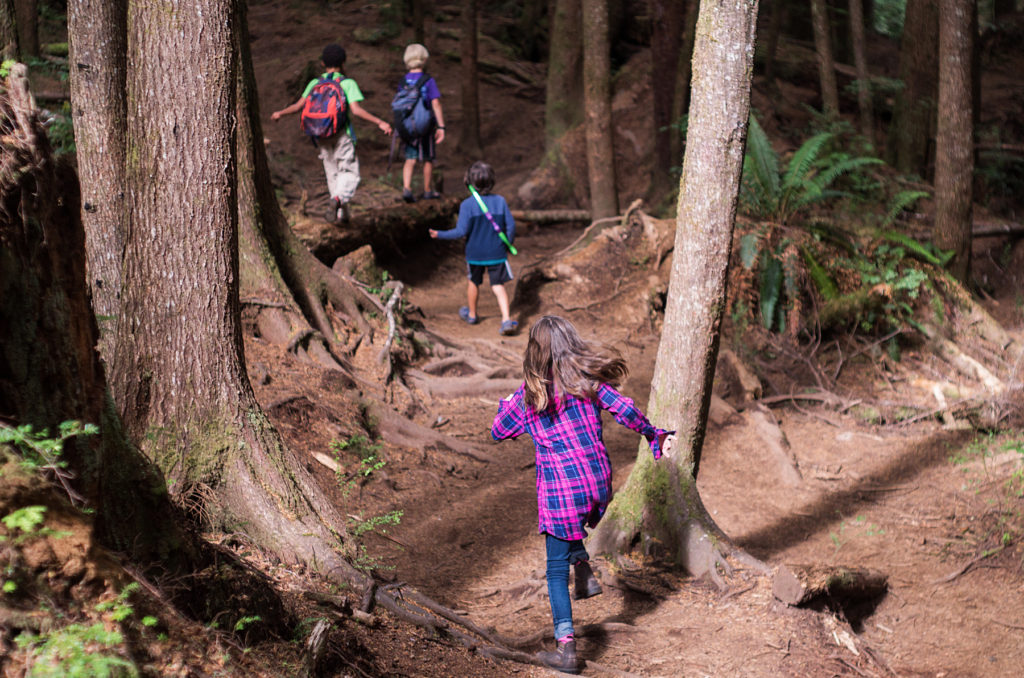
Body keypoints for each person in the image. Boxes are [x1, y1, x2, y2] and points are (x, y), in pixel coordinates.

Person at [490, 315, 676, 674]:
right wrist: (655, 435)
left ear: (535, 352)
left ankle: (567, 650)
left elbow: (498, 430)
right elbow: (626, 410)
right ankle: (584, 567)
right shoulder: (589, 383)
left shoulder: (530, 397)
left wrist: (510, 399)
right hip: (598, 486)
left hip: (562, 492)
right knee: (572, 528)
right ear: (570, 345)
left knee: (554, 568)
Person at [271, 43, 392, 224]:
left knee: (332, 173)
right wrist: (380, 122)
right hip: (341, 134)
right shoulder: (347, 83)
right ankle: (337, 201)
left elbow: (298, 106)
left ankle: (341, 216)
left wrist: (280, 113)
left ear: (322, 63)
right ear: (344, 63)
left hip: (320, 135)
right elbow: (357, 111)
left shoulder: (314, 83)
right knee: (349, 173)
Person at [429, 161, 518, 336]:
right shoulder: (500, 201)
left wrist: (439, 234)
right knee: (498, 285)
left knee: (473, 282)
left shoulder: (467, 205)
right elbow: (511, 226)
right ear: (492, 180)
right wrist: (507, 243)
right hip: (496, 252)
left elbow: (461, 231)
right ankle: (506, 319)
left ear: (468, 182)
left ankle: (471, 315)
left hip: (475, 253)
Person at [396, 43, 445, 202]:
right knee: (428, 158)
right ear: (424, 59)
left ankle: (407, 188)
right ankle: (427, 190)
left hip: (407, 127)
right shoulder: (428, 81)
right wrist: (441, 126)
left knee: (410, 158)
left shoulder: (403, 81)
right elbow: (435, 103)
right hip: (425, 126)